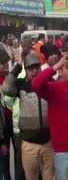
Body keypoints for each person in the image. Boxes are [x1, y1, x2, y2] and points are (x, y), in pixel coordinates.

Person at [2, 53, 55, 180]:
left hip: (49, 143)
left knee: (50, 177)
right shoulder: (20, 85)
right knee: (31, 177)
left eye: (37, 67)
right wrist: (18, 66)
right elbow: (5, 88)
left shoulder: (49, 83)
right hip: (28, 144)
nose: (34, 71)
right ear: (26, 70)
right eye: (30, 68)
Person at [4, 48, 38, 180]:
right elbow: (7, 97)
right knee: (24, 166)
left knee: (23, 165)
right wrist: (21, 106)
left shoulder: (37, 75)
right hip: (21, 128)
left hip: (22, 127)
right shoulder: (20, 77)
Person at [0, 49, 10, 179]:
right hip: (2, 126)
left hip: (11, 122)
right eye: (3, 64)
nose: (7, 67)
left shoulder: (9, 77)